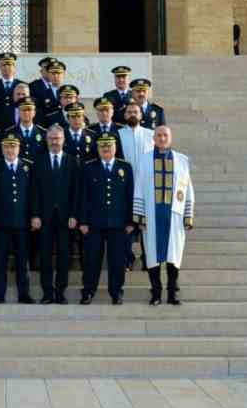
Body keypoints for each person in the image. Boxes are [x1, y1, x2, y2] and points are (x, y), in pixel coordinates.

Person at [134, 125, 195, 307]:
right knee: (153, 255)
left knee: (173, 256)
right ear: (153, 138)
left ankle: (172, 293)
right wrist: (139, 215)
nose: (162, 138)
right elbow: (138, 188)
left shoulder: (182, 160)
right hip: (152, 215)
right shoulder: (144, 161)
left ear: (171, 138)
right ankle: (156, 293)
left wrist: (188, 215)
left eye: (165, 135)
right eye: (159, 135)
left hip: (174, 216)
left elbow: (188, 189)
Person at [77, 133, 135, 304]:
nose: (106, 149)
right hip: (94, 223)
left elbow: (130, 195)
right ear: (98, 148)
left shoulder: (125, 167)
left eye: (109, 145)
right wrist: (83, 221)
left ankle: (116, 292)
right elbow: (83, 196)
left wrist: (131, 221)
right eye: (102, 146)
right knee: (91, 259)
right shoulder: (89, 167)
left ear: (115, 147)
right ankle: (88, 291)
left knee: (117, 260)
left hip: (119, 224)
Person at [33, 125, 80, 304]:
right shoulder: (39, 161)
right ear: (46, 140)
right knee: (44, 256)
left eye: (57, 139)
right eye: (51, 138)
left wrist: (74, 215)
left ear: (63, 140)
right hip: (44, 218)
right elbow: (34, 190)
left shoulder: (72, 161)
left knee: (64, 256)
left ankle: (60, 292)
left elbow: (76, 192)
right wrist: (35, 215)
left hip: (65, 218)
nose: (54, 142)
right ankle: (47, 292)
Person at [0, 132, 34, 303]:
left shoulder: (27, 167)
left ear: (19, 148)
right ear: (2, 148)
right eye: (7, 146)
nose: (10, 150)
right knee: (0, 261)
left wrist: (33, 216)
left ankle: (24, 294)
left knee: (23, 261)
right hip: (1, 222)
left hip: (22, 222)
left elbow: (33, 194)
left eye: (13, 146)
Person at [118, 102, 155, 270]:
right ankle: (127, 258)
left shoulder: (151, 134)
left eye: (135, 111)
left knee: (146, 226)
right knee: (126, 226)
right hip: (125, 187)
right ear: (125, 115)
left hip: (146, 186)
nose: (132, 114)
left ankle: (148, 258)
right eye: (129, 112)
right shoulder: (117, 134)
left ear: (141, 115)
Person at [0, 52, 21, 117]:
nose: (6, 67)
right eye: (3, 65)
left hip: (15, 123)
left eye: (9, 65)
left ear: (14, 68)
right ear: (0, 67)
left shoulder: (22, 85)